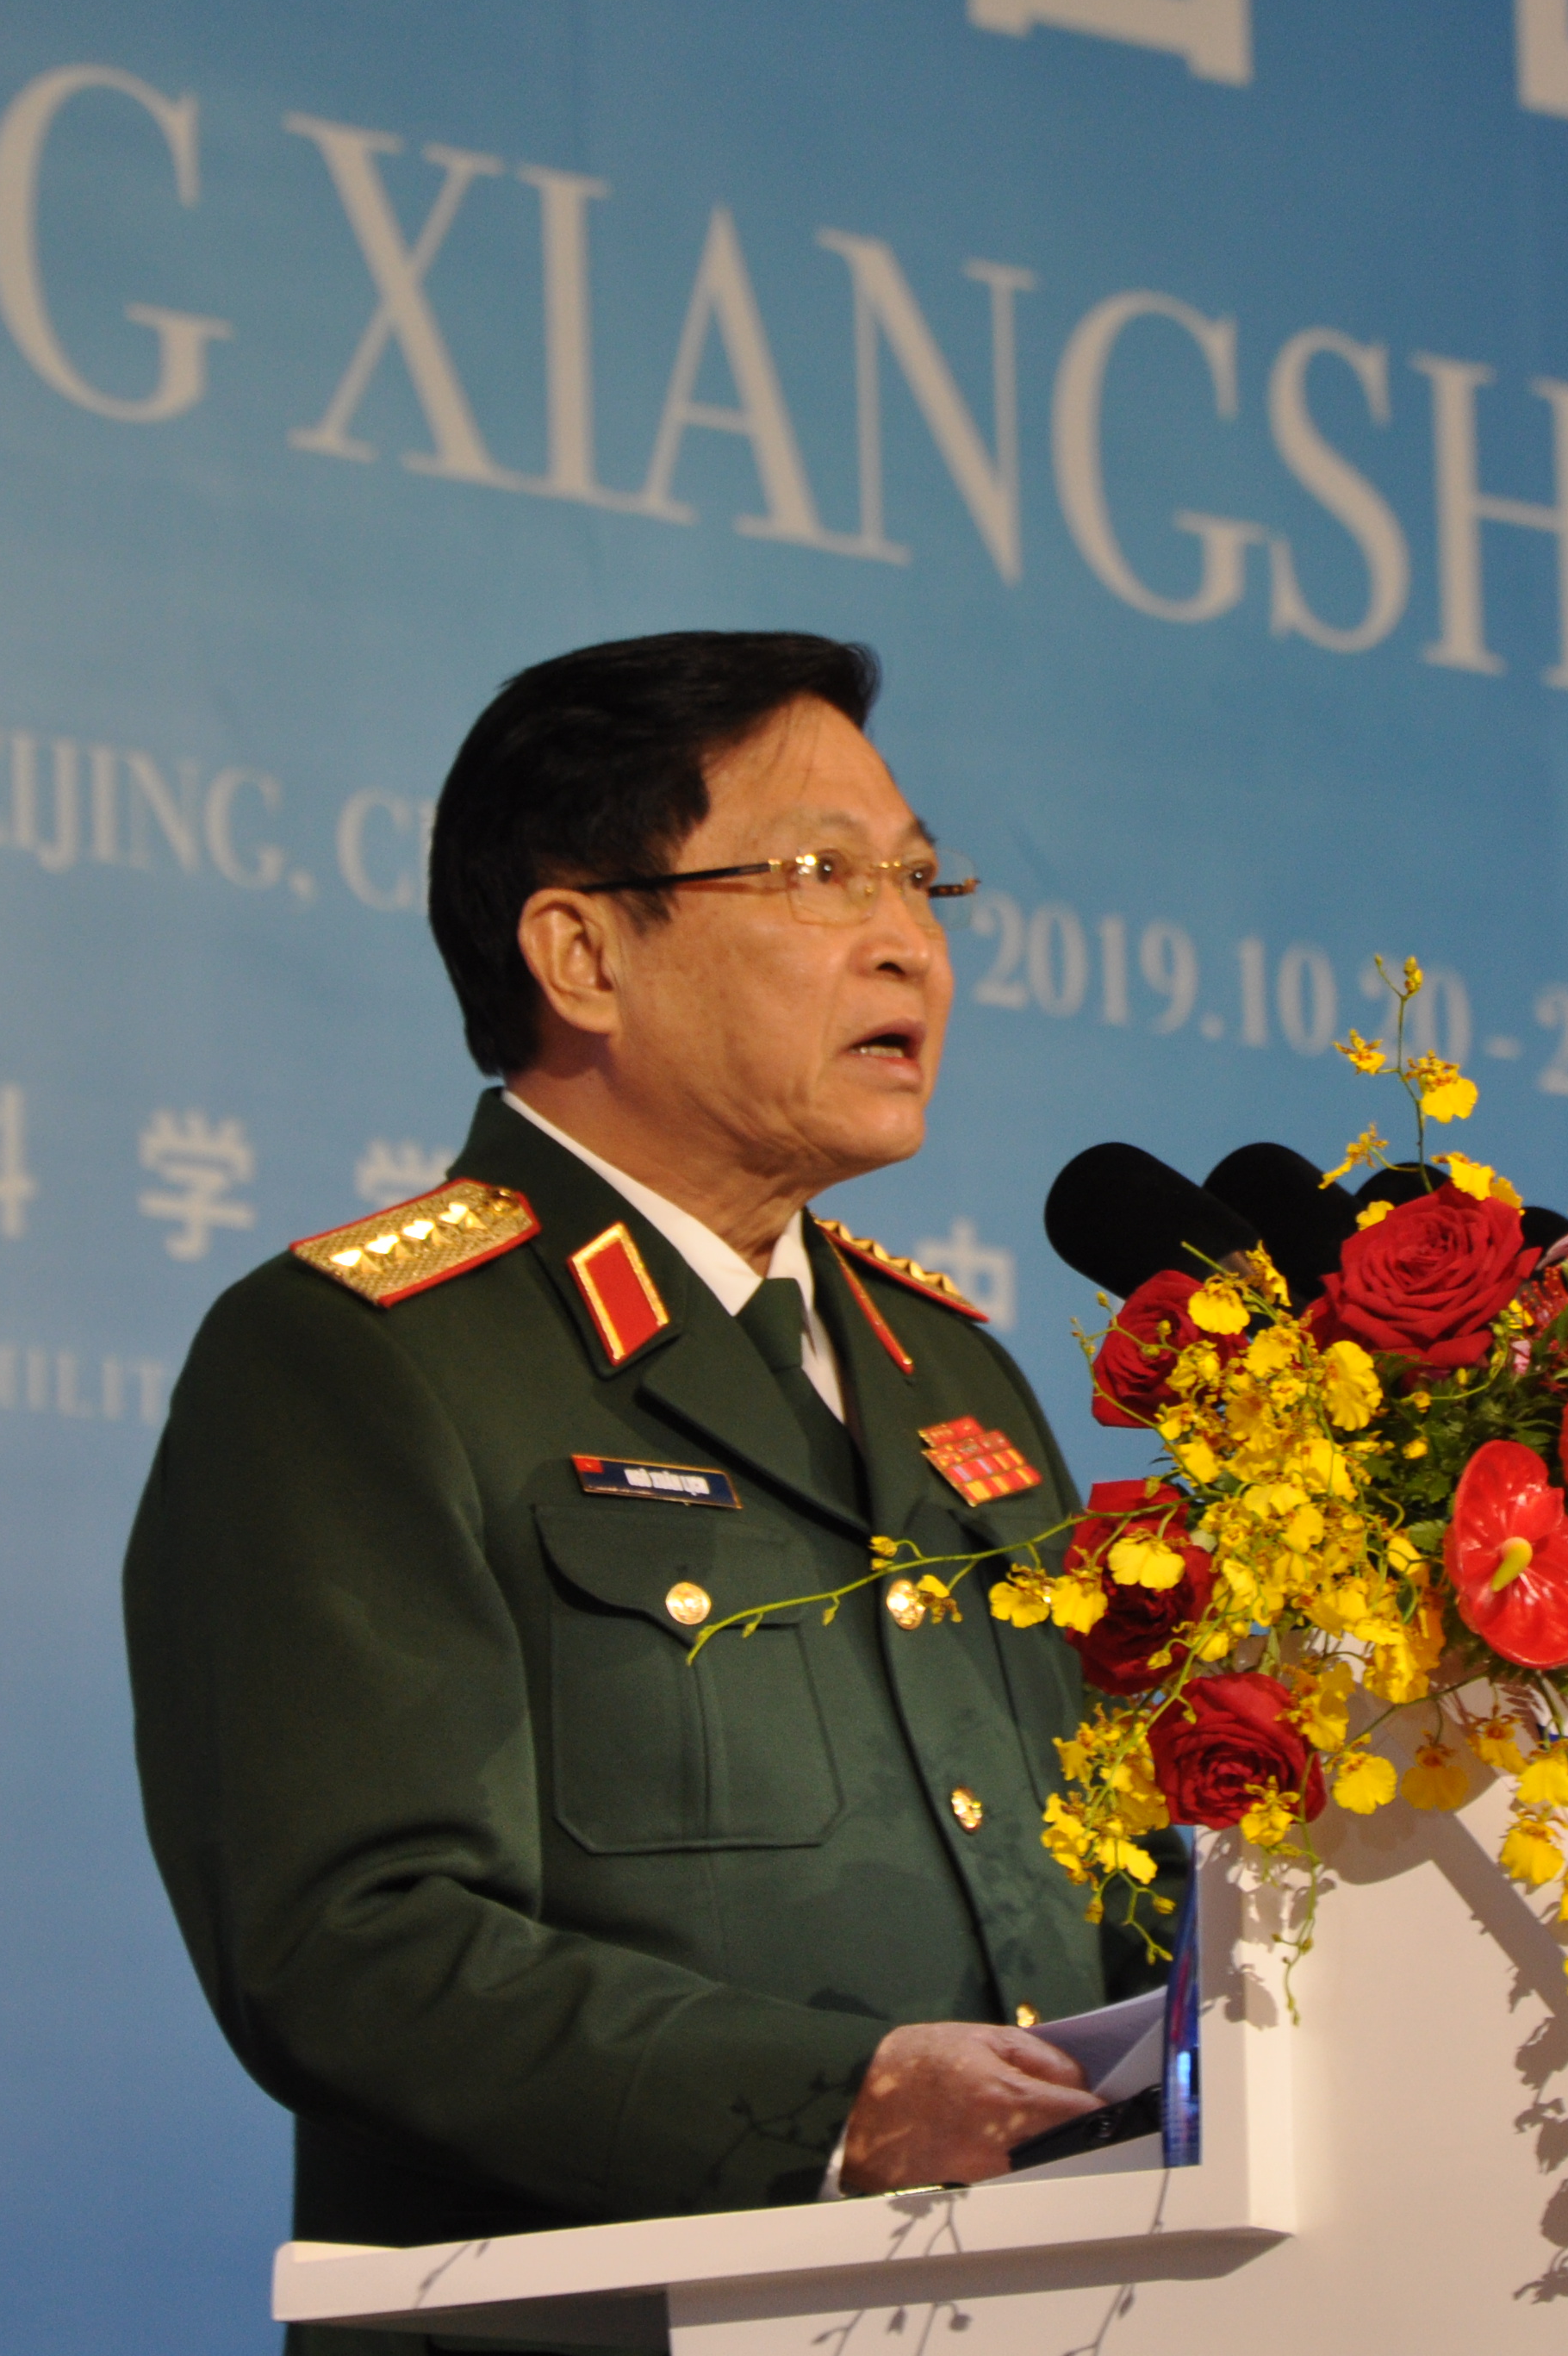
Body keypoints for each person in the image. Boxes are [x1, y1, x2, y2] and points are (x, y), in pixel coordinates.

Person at [123, 633, 1165, 2328]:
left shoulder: (948, 1372)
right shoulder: (363, 1357)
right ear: (584, 953)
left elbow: (1096, 1872)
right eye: (822, 873)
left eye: (919, 880)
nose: (908, 939)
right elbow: (353, 1943)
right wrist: (840, 2106)